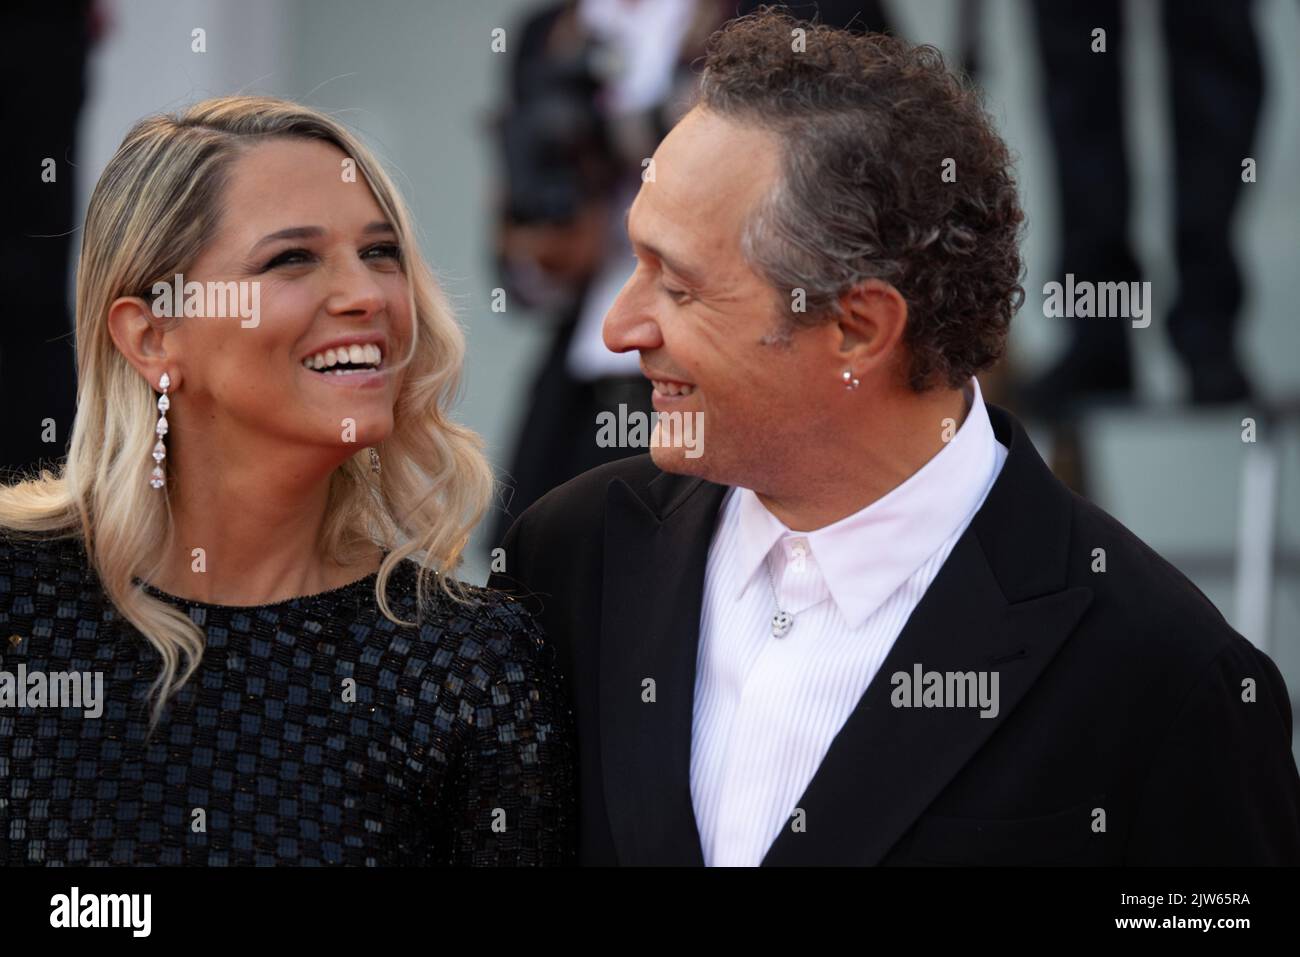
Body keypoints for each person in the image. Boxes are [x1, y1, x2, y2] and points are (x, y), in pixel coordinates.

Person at [490, 11, 1300, 866]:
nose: (618, 328)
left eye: (679, 287)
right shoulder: (569, 561)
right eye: (633, 267)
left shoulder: (1165, 677)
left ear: (858, 327)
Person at [0, 96, 575, 866]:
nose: (366, 295)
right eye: (291, 259)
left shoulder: (467, 664)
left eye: (380, 253)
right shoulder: (18, 603)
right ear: (151, 334)